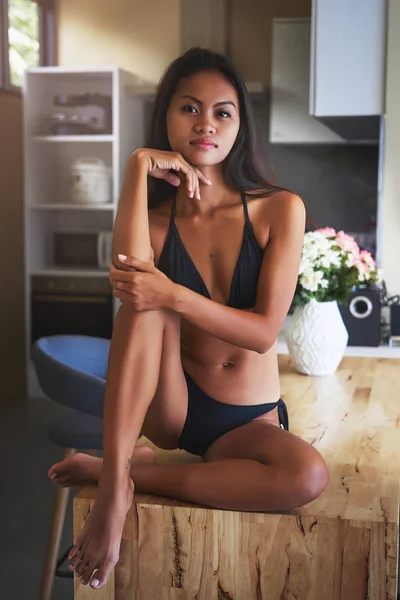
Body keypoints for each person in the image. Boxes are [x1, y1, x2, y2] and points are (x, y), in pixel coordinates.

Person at [48, 47, 329, 590]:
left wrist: (174, 295)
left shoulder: (278, 209)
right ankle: (115, 491)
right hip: (172, 408)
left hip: (248, 422)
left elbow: (265, 331)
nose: (206, 124)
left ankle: (124, 472)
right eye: (189, 108)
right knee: (142, 294)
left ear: (240, 125)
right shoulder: (155, 222)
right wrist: (137, 166)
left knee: (307, 474)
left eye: (223, 112)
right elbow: (133, 285)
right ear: (167, 118)